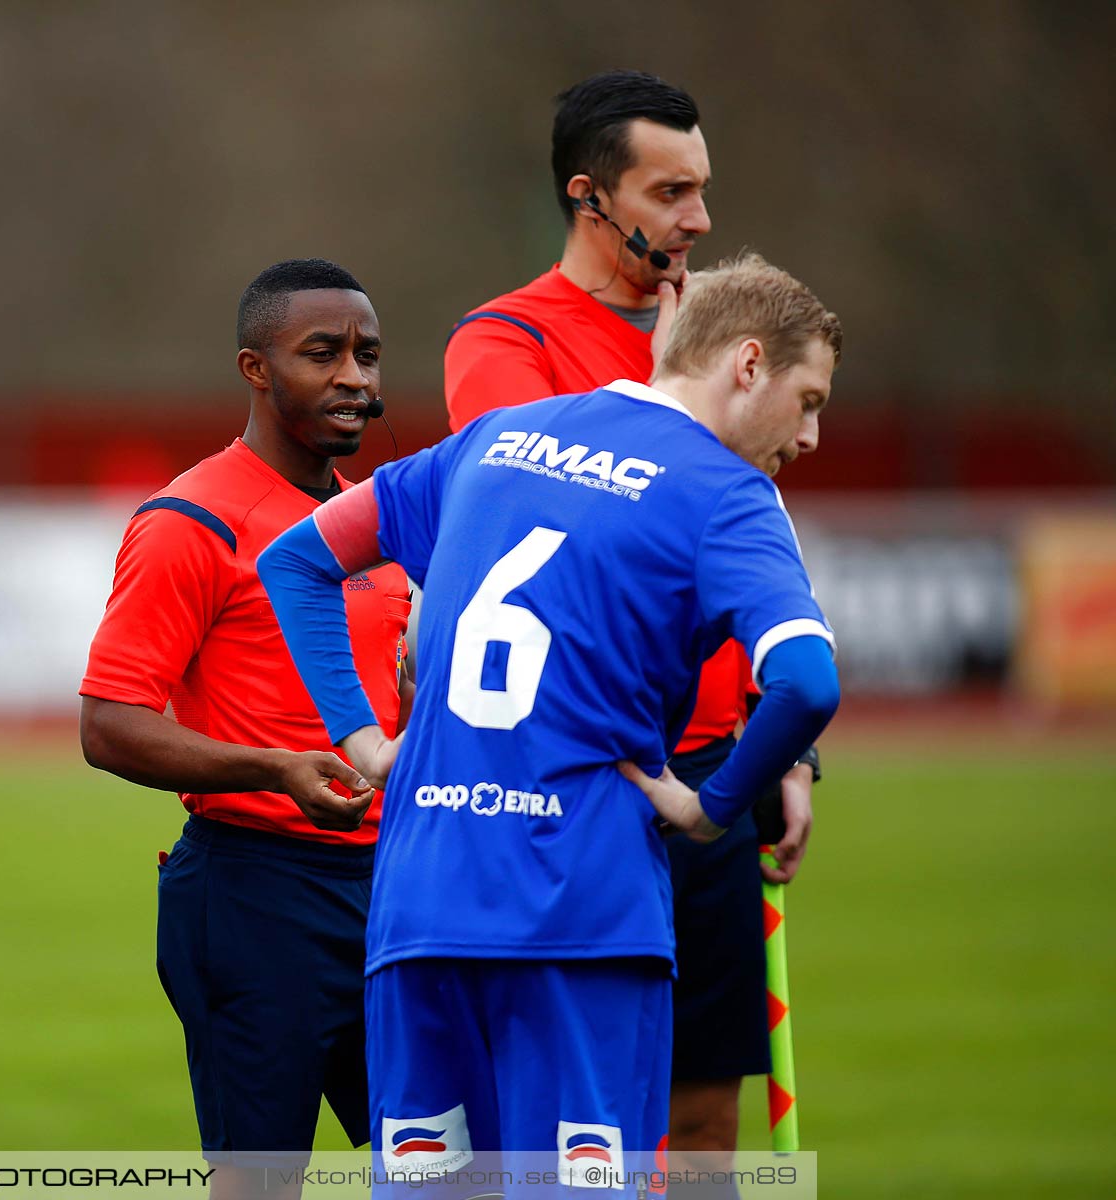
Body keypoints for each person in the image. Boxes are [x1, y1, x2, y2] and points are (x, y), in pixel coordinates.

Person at [257, 254, 842, 1184]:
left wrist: (362, 740)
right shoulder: (729, 495)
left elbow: (294, 562)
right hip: (582, 911)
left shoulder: (495, 440)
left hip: (423, 899)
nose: (809, 436)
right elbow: (807, 681)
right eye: (807, 399)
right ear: (746, 364)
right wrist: (711, 806)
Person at [445, 70, 817, 1174]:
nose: (699, 221)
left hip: (706, 778)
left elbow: (753, 557)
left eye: (703, 192)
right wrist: (669, 389)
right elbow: (571, 532)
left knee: (704, 1135)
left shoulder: (729, 347)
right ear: (589, 197)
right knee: (570, 1138)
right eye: (672, 193)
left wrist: (781, 748)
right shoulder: (504, 343)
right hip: (567, 789)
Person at [79, 259, 412, 1189]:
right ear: (255, 368)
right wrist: (279, 771)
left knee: (447, 1167)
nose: (355, 375)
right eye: (323, 353)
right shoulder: (191, 520)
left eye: (368, 354)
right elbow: (108, 723)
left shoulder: (380, 522)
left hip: (394, 890)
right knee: (262, 1182)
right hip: (257, 892)